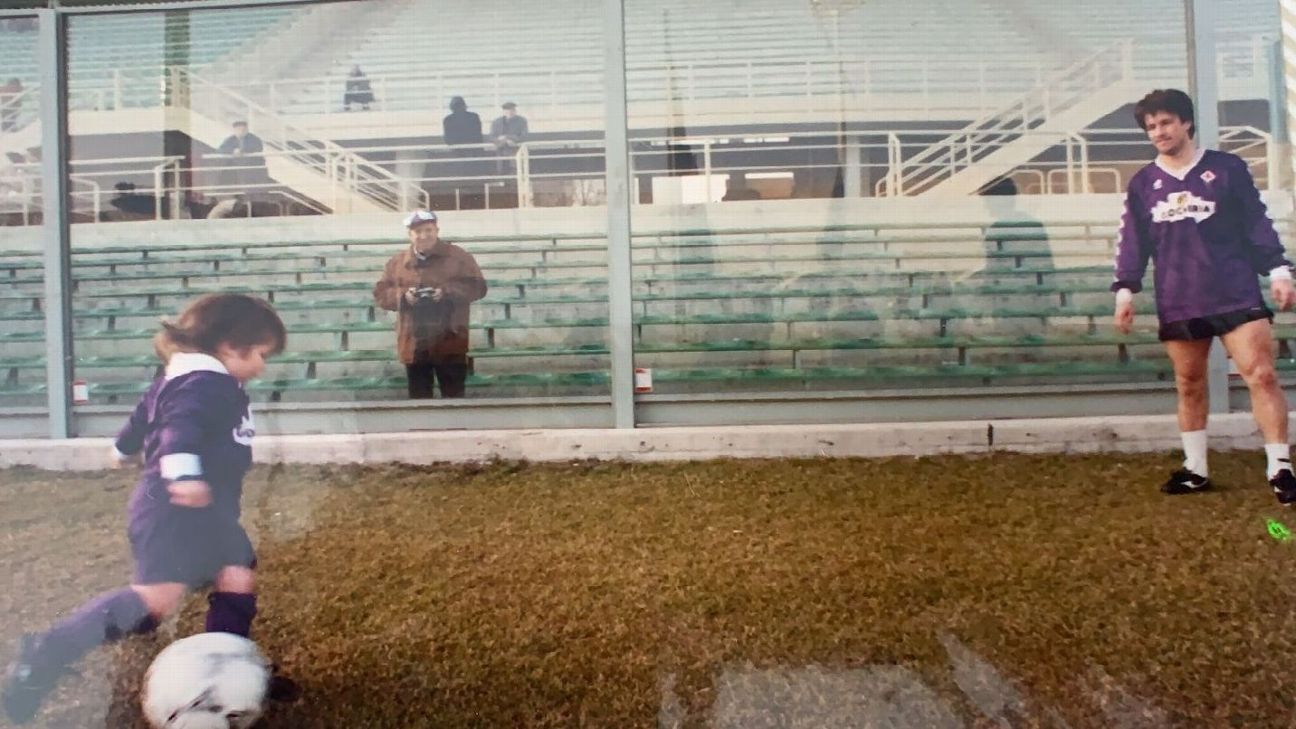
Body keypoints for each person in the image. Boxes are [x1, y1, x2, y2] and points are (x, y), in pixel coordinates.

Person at [1, 294, 299, 725]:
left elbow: (145, 415)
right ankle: (45, 654)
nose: (261, 366)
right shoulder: (204, 383)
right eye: (260, 354)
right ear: (230, 346)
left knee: (237, 575)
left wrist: (122, 448)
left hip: (210, 511)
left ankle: (226, 667)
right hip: (174, 510)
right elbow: (179, 427)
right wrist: (182, 474)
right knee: (155, 601)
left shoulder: (182, 377)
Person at [1112, 88, 1296, 502]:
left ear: (1186, 123)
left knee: (1262, 375)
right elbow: (1133, 242)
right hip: (1180, 296)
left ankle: (1280, 468)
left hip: (1235, 290)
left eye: (1165, 123)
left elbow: (1256, 223)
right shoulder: (1143, 183)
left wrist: (1279, 270)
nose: (1158, 132)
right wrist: (1125, 290)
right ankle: (1195, 469)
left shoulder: (1227, 169)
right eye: (1151, 126)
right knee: (1189, 383)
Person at [373, 210, 487, 399]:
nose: (424, 236)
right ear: (410, 235)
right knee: (419, 400)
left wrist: (447, 292)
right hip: (414, 342)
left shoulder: (459, 257)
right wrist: (403, 296)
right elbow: (381, 294)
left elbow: (478, 287)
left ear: (437, 230)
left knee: (454, 398)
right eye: (418, 231)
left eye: (428, 230)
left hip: (450, 338)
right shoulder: (396, 263)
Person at [216, 120, 267, 195]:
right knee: (245, 188)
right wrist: (232, 151)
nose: (241, 131)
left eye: (243, 130)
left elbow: (258, 147)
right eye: (239, 130)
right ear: (234, 130)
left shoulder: (254, 139)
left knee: (258, 188)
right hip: (241, 169)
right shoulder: (230, 139)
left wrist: (242, 151)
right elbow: (221, 149)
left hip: (255, 167)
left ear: (247, 129)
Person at [490, 101, 529, 174]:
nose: (510, 112)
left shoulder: (522, 121)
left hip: (516, 151)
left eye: (512, 110)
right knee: (502, 172)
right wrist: (502, 141)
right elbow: (492, 137)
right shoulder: (496, 122)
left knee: (517, 171)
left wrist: (508, 138)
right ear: (503, 111)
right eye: (507, 110)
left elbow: (524, 136)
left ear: (515, 110)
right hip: (501, 152)